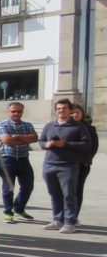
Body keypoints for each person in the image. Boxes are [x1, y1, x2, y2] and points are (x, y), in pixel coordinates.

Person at [38, 99, 90, 234]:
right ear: (56, 110)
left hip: (68, 166)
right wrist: (46, 145)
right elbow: (41, 141)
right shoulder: (49, 125)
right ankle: (58, 220)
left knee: (69, 195)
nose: (61, 111)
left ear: (70, 110)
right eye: (59, 109)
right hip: (49, 165)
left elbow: (86, 145)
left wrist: (66, 144)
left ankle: (70, 222)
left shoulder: (78, 127)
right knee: (54, 194)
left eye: (64, 108)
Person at [0, 102, 38, 223]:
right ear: (8, 112)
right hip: (7, 159)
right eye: (13, 111)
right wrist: (24, 138)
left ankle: (19, 208)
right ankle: (8, 212)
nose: (16, 113)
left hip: (24, 159)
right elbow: (7, 140)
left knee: (28, 186)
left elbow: (35, 138)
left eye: (19, 111)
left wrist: (16, 137)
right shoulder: (2, 124)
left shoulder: (27, 125)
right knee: (9, 187)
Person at [71, 104, 98, 218]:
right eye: (72, 112)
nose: (75, 115)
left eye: (77, 112)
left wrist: (87, 160)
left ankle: (73, 216)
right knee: (65, 191)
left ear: (82, 114)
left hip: (82, 164)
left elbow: (94, 147)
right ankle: (61, 216)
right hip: (66, 164)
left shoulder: (90, 129)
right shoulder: (63, 127)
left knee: (77, 190)